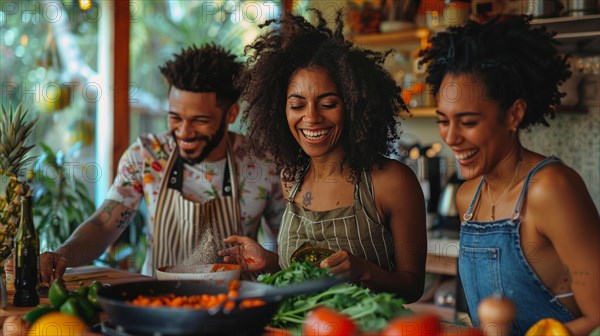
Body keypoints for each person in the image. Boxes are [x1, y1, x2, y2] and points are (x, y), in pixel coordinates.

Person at [219, 9, 427, 301]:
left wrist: (365, 272)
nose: (311, 118)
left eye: (328, 103)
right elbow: (306, 274)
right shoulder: (291, 178)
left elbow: (413, 286)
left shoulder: (392, 182)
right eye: (297, 105)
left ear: (355, 105)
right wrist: (271, 261)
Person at [40, 44, 285, 280]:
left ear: (231, 114)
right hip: (158, 306)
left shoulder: (264, 165)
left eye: (199, 120)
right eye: (175, 117)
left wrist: (269, 260)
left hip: (234, 308)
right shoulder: (146, 156)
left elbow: (284, 251)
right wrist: (63, 254)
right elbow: (103, 226)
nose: (184, 132)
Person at [419, 16, 600, 334]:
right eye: (443, 120)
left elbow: (598, 316)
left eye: (469, 122)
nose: (451, 137)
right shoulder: (468, 198)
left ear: (514, 114)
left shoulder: (551, 189)